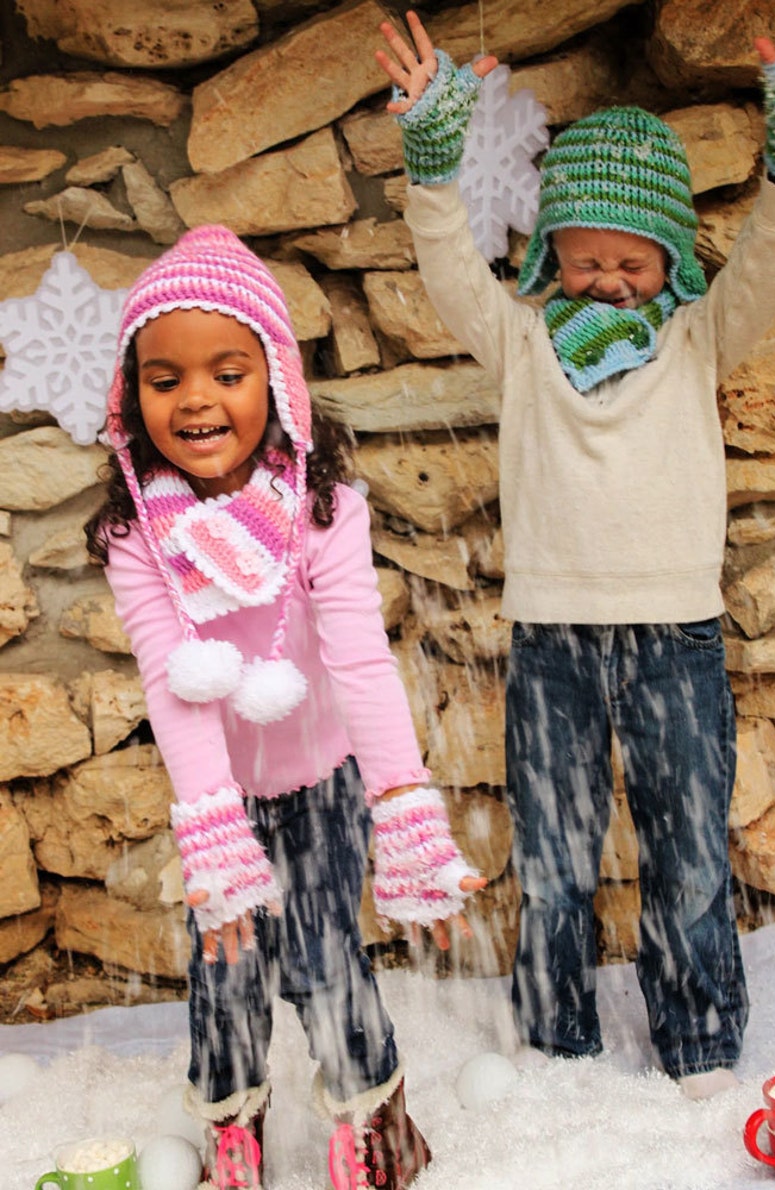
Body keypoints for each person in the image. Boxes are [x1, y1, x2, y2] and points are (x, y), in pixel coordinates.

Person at [375, 12, 775, 1100]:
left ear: (664, 255)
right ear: (550, 251)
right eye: (582, 257)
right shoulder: (518, 338)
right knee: (554, 856)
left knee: (689, 850)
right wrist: (433, 158)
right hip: (552, 633)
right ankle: (554, 1032)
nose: (605, 279)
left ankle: (698, 1038)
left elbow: (762, 259)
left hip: (674, 631)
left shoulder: (699, 335)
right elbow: (447, 265)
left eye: (628, 260)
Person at [85, 223, 487, 1190]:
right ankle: (236, 1126)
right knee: (223, 970)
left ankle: (374, 1128)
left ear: (276, 380)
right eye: (165, 379)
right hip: (219, 798)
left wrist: (406, 808)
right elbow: (170, 683)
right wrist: (216, 844)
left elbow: (358, 659)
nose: (197, 400)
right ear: (133, 398)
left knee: (321, 957)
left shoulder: (322, 509)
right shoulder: (135, 533)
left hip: (321, 780)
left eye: (227, 371)